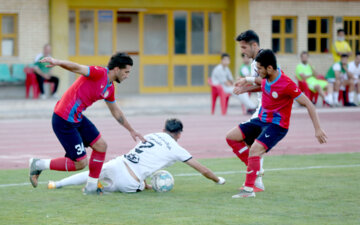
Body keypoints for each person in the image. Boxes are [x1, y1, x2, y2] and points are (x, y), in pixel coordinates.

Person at [29, 52, 145, 195]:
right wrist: (57, 62)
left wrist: (132, 130)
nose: (127, 75)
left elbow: (116, 112)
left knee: (101, 146)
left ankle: (91, 187)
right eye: (126, 72)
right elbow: (77, 67)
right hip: (63, 119)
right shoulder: (99, 73)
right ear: (116, 69)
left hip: (77, 118)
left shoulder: (110, 89)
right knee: (80, 163)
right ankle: (38, 164)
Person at [231, 49, 327, 199]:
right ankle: (255, 168)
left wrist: (318, 129)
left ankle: (248, 190)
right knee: (231, 137)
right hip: (262, 120)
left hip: (277, 125)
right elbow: (261, 83)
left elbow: (309, 104)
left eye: (259, 69)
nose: (257, 71)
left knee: (255, 150)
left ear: (269, 68)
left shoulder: (287, 84)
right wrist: (245, 83)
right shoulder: (268, 77)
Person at [46, 119, 226, 192]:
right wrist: (218, 180)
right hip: (130, 180)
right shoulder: (177, 149)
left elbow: (144, 157)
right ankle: (101, 189)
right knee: (117, 189)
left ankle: (57, 184)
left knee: (93, 173)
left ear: (164, 129)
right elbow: (201, 169)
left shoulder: (153, 134)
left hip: (118, 163)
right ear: (179, 134)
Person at [225, 30, 265, 192]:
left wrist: (246, 83)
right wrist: (245, 88)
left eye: (244, 47)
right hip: (263, 109)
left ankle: (255, 174)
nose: (242, 51)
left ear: (253, 45)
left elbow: (270, 82)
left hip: (264, 111)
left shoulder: (260, 61)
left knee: (232, 137)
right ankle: (257, 182)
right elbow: (265, 84)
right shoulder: (259, 60)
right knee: (253, 145)